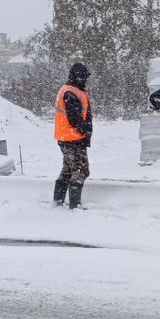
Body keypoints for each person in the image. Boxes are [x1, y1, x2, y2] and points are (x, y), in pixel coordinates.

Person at [53, 62, 93, 209]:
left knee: (68, 171)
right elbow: (75, 117)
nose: (85, 80)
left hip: (67, 137)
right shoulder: (71, 92)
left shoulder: (70, 90)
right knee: (81, 170)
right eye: (84, 77)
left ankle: (57, 201)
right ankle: (74, 205)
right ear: (77, 77)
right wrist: (85, 130)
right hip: (73, 138)